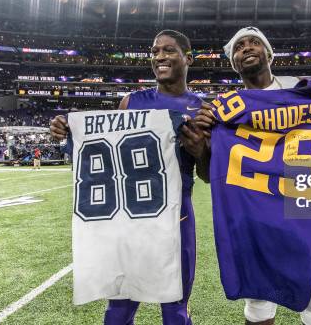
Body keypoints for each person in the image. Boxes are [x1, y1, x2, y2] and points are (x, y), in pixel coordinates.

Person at [194, 26, 311, 325]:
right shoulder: (222, 111)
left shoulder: (305, 91)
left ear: (268, 53)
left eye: (254, 43)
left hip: (305, 212)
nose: (246, 48)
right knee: (259, 307)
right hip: (255, 216)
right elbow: (208, 175)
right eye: (239, 47)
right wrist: (203, 143)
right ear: (234, 61)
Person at [50, 30, 209, 325]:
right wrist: (66, 130)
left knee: (175, 312)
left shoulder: (203, 109)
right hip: (129, 220)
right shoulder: (130, 102)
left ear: (188, 58)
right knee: (118, 312)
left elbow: (209, 174)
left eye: (169, 50)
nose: (160, 56)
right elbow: (106, 148)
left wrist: (200, 150)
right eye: (155, 51)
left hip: (176, 218)